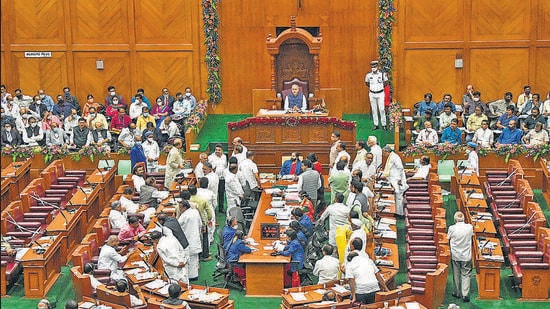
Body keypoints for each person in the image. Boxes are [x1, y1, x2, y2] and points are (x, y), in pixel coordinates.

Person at [448, 211, 474, 302]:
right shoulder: (469, 227)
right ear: (464, 219)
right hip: (466, 255)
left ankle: (457, 292)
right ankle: (465, 294)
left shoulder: (452, 228)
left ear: (455, 220)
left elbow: (448, 238)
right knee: (466, 274)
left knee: (456, 273)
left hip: (455, 255)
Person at [177, 200, 202, 281]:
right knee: (194, 258)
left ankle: (191, 276)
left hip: (188, 239)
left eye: (180, 207)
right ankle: (194, 275)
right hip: (196, 237)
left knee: (189, 258)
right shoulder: (195, 212)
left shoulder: (183, 216)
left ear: (184, 207)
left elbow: (178, 226)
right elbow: (200, 224)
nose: (179, 209)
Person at [381, 146, 408, 216]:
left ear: (387, 152)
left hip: (398, 180)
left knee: (399, 198)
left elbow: (400, 168)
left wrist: (399, 179)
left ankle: (400, 214)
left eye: (384, 153)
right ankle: (397, 212)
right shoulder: (391, 156)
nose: (383, 155)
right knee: (396, 197)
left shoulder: (395, 157)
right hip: (394, 179)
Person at [365, 60, 389, 130]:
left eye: (375, 66)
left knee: (381, 109)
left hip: (380, 93)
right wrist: (373, 88)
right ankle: (376, 124)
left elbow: (386, 82)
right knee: (374, 109)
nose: (373, 68)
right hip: (372, 94)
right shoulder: (368, 75)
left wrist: (379, 87)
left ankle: (384, 124)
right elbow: (367, 83)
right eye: (372, 67)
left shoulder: (382, 74)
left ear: (377, 67)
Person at [209, 143, 228, 213]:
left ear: (222, 150)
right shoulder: (211, 157)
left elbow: (225, 166)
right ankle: (212, 209)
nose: (217, 151)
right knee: (213, 194)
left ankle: (221, 208)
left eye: (219, 150)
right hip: (214, 179)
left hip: (222, 178)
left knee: (221, 193)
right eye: (216, 150)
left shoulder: (224, 157)